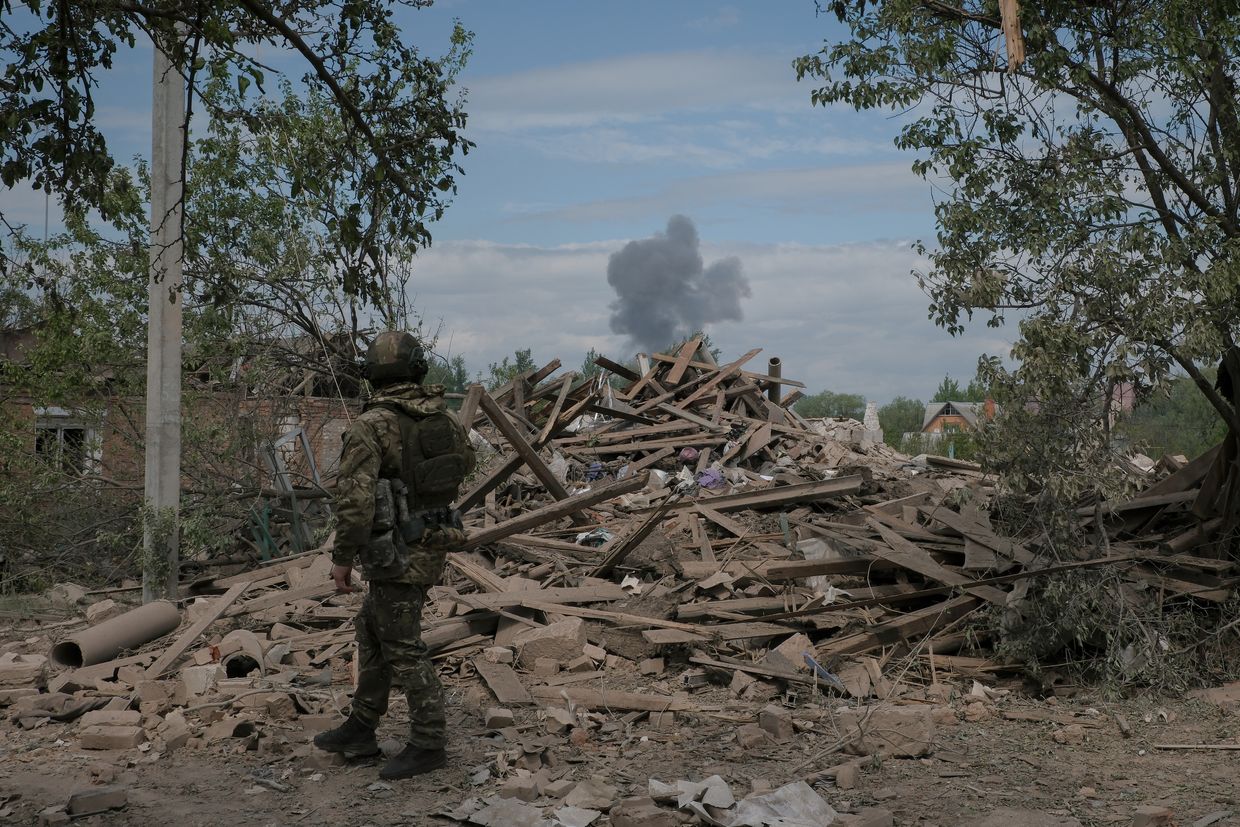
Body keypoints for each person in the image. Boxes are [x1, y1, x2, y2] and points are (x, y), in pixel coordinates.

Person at [313, 331, 476, 779]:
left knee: (402, 645)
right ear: (418, 368)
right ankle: (362, 727)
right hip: (431, 542)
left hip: (395, 553)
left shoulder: (373, 425)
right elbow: (468, 464)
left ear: (371, 376)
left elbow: (355, 501)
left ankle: (429, 743)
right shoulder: (441, 418)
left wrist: (342, 557)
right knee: (372, 628)